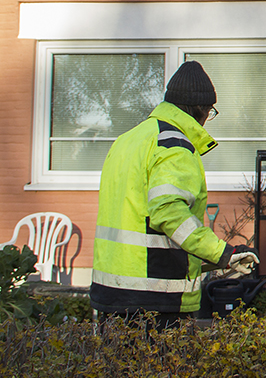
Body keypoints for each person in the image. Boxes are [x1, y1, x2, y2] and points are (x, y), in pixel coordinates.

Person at [90, 61, 257, 326]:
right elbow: (168, 214)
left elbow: (143, 226)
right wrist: (221, 253)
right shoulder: (174, 144)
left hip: (110, 291)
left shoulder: (127, 140)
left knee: (116, 367)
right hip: (156, 297)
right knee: (167, 367)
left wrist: (217, 261)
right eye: (210, 112)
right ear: (201, 110)